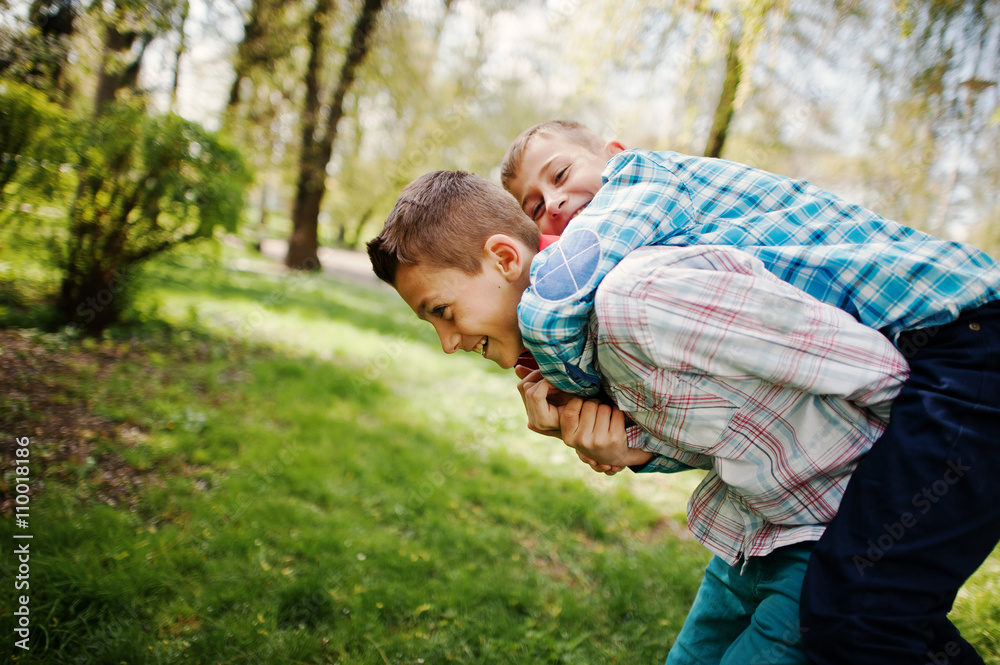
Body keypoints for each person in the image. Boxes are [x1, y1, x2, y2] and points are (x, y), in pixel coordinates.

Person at [500, 120, 1000, 665]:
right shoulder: (662, 264)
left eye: (561, 173)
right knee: (874, 609)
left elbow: (555, 304)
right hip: (939, 351)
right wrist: (633, 443)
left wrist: (561, 384)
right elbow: (722, 411)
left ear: (615, 155)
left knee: (859, 612)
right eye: (532, 205)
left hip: (971, 340)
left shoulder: (641, 183)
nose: (551, 202)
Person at [366, 170, 910, 665]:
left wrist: (910, 501)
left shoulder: (637, 299)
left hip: (829, 534)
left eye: (442, 312)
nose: (446, 343)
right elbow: (730, 425)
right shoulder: (575, 349)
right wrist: (631, 449)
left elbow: (861, 365)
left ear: (505, 259)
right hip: (749, 536)